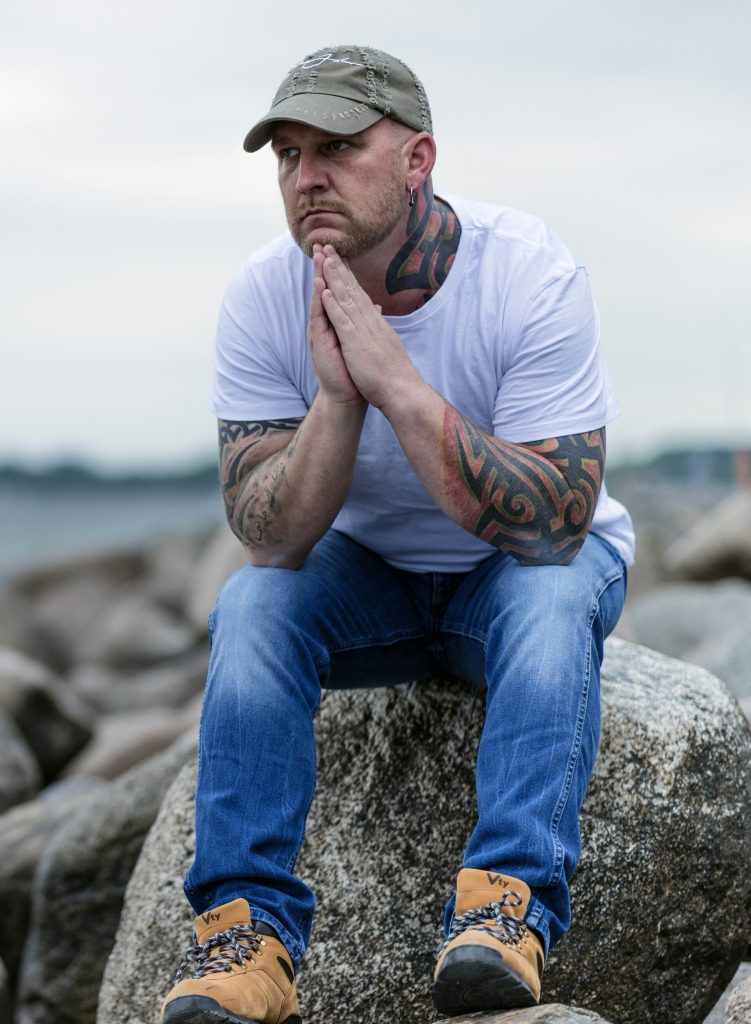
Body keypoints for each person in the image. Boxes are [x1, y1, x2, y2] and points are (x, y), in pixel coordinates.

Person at [160, 43, 634, 1024]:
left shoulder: (529, 272)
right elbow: (272, 540)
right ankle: (245, 943)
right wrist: (338, 396)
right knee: (251, 605)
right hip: (368, 580)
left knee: (551, 596)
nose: (306, 177)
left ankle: (506, 913)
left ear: (417, 159)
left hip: (513, 573)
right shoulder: (262, 293)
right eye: (287, 154)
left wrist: (400, 384)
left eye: (335, 145)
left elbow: (555, 522)